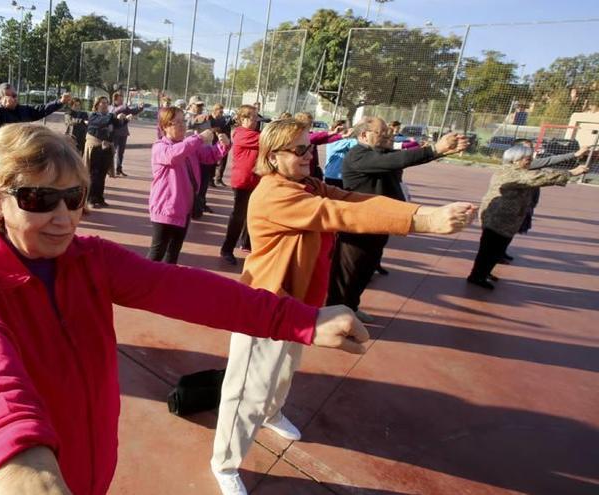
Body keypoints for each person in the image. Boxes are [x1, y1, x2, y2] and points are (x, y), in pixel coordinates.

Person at [0, 123, 370, 495]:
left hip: (91, 468)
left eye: (75, 197)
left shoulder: (91, 258)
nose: (64, 218)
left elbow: (184, 289)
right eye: (38, 200)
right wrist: (20, 457)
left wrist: (303, 320)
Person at [210, 119, 476, 495]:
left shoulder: (306, 184)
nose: (308, 155)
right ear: (272, 157)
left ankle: (272, 413)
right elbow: (340, 215)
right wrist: (423, 221)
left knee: (284, 370)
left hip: (299, 306)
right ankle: (225, 462)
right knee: (245, 391)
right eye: (298, 150)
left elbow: (353, 200)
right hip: (264, 306)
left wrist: (420, 211)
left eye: (309, 147)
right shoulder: (274, 193)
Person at [326, 117, 470, 322]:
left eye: (389, 133)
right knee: (348, 274)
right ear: (364, 135)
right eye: (382, 133)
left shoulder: (381, 152)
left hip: (380, 224)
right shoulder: (357, 155)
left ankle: (351, 307)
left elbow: (405, 156)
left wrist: (442, 150)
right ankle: (336, 316)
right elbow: (395, 161)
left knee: (366, 270)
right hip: (358, 227)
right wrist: (435, 150)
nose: (388, 136)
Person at [467, 144, 590, 289]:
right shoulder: (510, 172)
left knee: (497, 250)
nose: (530, 160)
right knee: (489, 250)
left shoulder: (518, 170)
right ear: (515, 159)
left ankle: (483, 272)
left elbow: (541, 171)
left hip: (508, 219)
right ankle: (476, 276)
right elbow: (537, 178)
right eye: (527, 158)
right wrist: (570, 173)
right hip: (497, 218)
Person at [149, 106, 229, 264]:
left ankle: (165, 283)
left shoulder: (188, 145)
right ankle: (143, 286)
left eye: (183, 121)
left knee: (173, 253)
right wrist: (198, 139)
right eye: (176, 122)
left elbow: (210, 155)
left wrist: (223, 145)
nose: (182, 125)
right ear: (165, 126)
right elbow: (174, 155)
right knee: (157, 253)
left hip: (184, 209)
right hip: (166, 209)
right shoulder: (160, 147)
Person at [219, 105, 260, 266]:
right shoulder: (242, 134)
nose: (256, 121)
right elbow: (268, 140)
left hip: (254, 180)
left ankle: (246, 243)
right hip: (243, 181)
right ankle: (226, 249)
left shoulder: (254, 133)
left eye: (257, 118)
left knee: (251, 214)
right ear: (242, 119)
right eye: (253, 118)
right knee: (238, 216)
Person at [84, 96, 129, 208]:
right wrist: (114, 115)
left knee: (102, 174)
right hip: (96, 147)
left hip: (107, 148)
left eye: (106, 103)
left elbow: (118, 124)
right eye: (102, 103)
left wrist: (125, 119)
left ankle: (99, 198)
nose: (105, 105)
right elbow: (103, 122)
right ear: (97, 104)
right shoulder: (93, 116)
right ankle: (90, 199)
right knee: (94, 174)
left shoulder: (109, 116)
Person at [0, 83, 71, 127]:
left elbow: (41, 109)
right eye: (9, 96)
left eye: (14, 95)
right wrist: (0, 107)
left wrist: (60, 101)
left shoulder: (23, 110)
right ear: (0, 98)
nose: (13, 99)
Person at [109, 92, 144, 177]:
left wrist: (140, 108)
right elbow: (115, 112)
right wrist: (125, 106)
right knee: (112, 152)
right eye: (120, 99)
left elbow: (133, 111)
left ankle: (119, 169)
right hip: (115, 133)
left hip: (123, 133)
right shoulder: (111, 108)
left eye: (122, 98)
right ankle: (109, 169)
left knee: (121, 152)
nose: (122, 100)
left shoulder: (124, 108)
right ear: (115, 99)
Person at [209, 103, 234, 187]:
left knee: (223, 161)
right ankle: (210, 179)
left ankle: (218, 179)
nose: (221, 114)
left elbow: (229, 126)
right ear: (215, 111)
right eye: (220, 112)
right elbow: (206, 129)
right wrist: (214, 130)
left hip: (222, 143)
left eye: (222, 112)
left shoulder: (223, 119)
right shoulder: (209, 118)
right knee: (212, 162)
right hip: (212, 143)